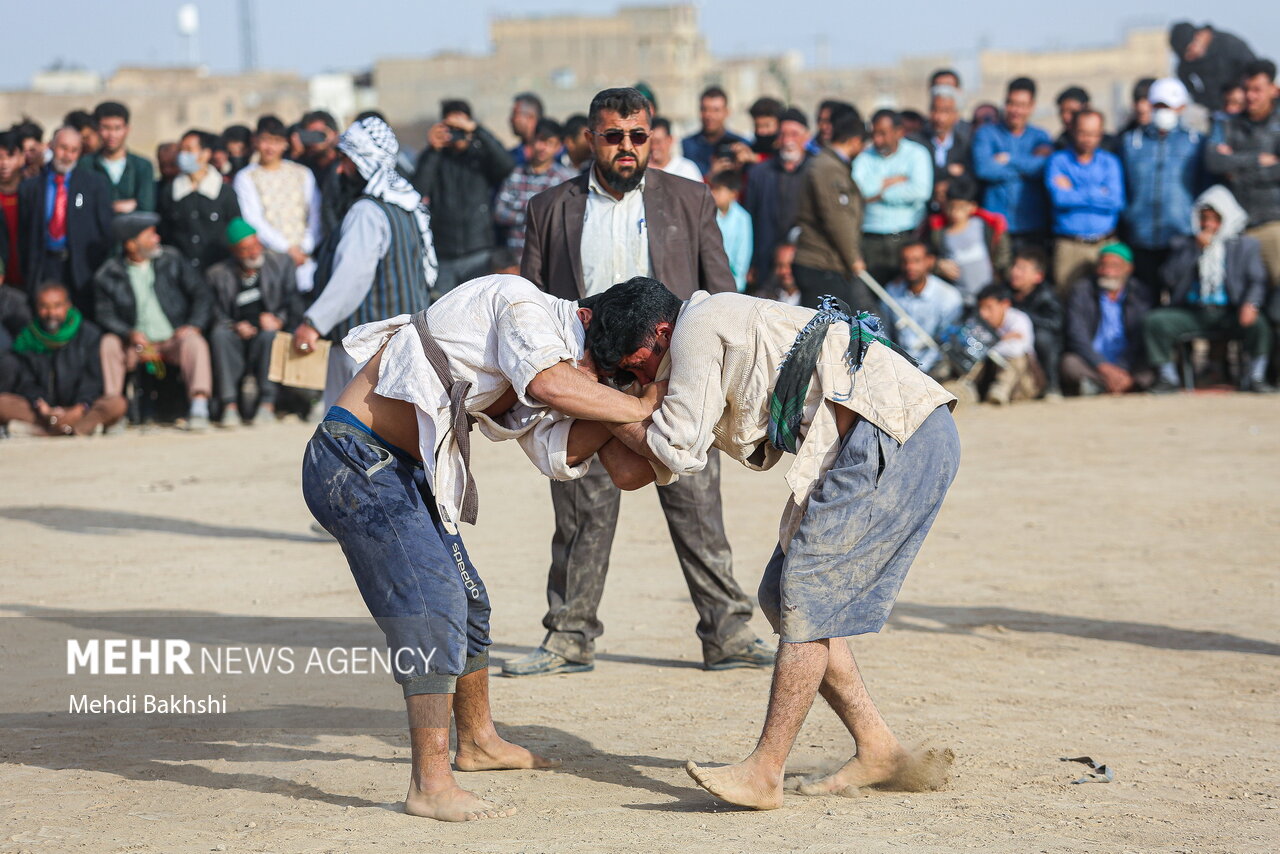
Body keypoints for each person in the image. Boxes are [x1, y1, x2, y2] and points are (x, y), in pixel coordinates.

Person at [301, 272, 669, 821]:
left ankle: (477, 742)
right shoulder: (520, 303)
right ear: (589, 319)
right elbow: (551, 385)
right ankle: (429, 784)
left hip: (407, 472)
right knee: (435, 606)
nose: (605, 378)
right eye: (620, 364)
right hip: (355, 461)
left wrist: (650, 406)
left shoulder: (569, 370)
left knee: (470, 602)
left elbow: (598, 464)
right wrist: (638, 406)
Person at [583, 280, 958, 813]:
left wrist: (597, 400)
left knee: (804, 593)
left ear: (662, 331)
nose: (641, 381)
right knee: (780, 594)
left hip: (893, 432)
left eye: (637, 366)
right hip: (879, 437)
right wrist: (611, 402)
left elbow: (675, 449)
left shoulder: (698, 327)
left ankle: (765, 771)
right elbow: (632, 472)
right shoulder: (706, 331)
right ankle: (879, 749)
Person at [514, 87, 771, 676]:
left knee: (698, 506)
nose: (626, 147)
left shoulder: (688, 198)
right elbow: (532, 305)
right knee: (580, 512)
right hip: (589, 382)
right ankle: (569, 636)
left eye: (637, 135)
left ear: (652, 137)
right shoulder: (549, 208)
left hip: (677, 380)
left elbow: (722, 295)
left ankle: (728, 633)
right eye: (613, 136)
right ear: (591, 139)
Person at [292, 117, 438, 409]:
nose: (341, 170)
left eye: (346, 161)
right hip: (404, 348)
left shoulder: (367, 212)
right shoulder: (405, 206)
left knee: (348, 431)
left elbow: (351, 279)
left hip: (363, 351)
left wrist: (314, 324)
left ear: (362, 162)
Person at [1145, 186, 1272, 393]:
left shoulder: (1245, 245)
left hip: (1230, 312)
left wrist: (1251, 304)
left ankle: (1256, 377)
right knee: (1155, 321)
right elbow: (1169, 278)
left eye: (1215, 219)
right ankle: (1167, 378)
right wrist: (1194, 251)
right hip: (1193, 312)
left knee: (1259, 325)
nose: (1208, 224)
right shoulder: (1183, 244)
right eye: (1204, 218)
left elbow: (1257, 280)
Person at [94, 212, 214, 428]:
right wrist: (128, 333)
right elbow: (104, 314)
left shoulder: (171, 259)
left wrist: (194, 325)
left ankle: (199, 407)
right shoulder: (109, 274)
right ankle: (114, 411)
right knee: (109, 344)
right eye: (150, 235)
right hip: (137, 344)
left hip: (172, 339)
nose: (157, 238)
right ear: (131, 245)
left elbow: (201, 294)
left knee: (194, 343)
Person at [0, 280, 126, 435]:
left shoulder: (89, 335)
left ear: (68, 306)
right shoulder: (28, 338)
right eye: (44, 307)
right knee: (2, 403)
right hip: (45, 412)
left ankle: (64, 429)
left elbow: (93, 381)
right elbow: (26, 381)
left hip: (80, 409)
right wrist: (42, 406)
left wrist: (79, 408)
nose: (51, 313)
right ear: (37, 307)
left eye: (57, 306)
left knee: (116, 404)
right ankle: (69, 429)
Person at [412, 100, 513, 293]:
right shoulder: (435, 157)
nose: (456, 133)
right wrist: (432, 149)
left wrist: (478, 131)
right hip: (443, 254)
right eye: (451, 127)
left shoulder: (480, 155)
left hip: (478, 250)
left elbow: (507, 165)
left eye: (461, 127)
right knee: (443, 309)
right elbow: (417, 190)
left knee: (479, 308)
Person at [206, 218, 295, 425]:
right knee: (220, 335)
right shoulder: (218, 274)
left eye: (256, 245)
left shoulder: (281, 263)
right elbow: (215, 311)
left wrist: (278, 320)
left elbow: (292, 301)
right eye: (246, 249)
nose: (254, 252)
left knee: (270, 337)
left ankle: (267, 404)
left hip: (268, 329)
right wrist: (234, 325)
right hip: (236, 331)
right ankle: (229, 406)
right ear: (234, 251)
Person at [1121, 78, 1203, 299]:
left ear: (1181, 107)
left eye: (1168, 106)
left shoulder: (1195, 142)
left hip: (1181, 235)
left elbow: (1202, 186)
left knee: (1180, 301)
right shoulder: (1131, 142)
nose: (1162, 112)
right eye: (1158, 106)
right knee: (1143, 301)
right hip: (1141, 237)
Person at [17, 127, 113, 314]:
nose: (67, 156)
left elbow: (105, 230)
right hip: (44, 266)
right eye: (63, 148)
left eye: (74, 150)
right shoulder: (30, 187)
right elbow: (24, 233)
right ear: (52, 146)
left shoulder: (93, 184)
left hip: (80, 268)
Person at [1205, 60, 1280, 290]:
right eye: (1246, 89)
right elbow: (1214, 161)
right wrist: (1256, 160)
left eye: (1257, 90)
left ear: (1273, 90)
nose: (1250, 96)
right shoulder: (1227, 124)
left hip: (1273, 225)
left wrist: (1237, 172)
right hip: (1236, 228)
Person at [793, 108, 871, 311]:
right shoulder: (828, 168)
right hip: (821, 263)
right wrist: (853, 258)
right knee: (825, 326)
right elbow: (836, 218)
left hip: (830, 262)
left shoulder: (832, 166)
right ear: (855, 141)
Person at [233, 115, 321, 293]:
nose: (270, 147)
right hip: (272, 262)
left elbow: (316, 213)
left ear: (285, 143)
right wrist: (286, 249)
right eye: (266, 140)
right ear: (256, 141)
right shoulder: (246, 177)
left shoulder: (302, 173)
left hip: (307, 258)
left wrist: (305, 247)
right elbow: (253, 219)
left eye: (276, 141)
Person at [1046, 110, 1126, 295]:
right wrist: (1099, 192)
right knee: (1066, 296)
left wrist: (1075, 190)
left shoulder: (1110, 162)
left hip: (1104, 243)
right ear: (1073, 131)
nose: (1088, 139)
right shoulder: (1058, 161)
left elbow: (1116, 201)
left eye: (1093, 134)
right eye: (1083, 133)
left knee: (1107, 298)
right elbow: (1060, 199)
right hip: (1070, 245)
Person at [852, 110, 933, 286]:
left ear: (899, 132)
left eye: (883, 134)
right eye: (874, 134)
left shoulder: (917, 154)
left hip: (906, 237)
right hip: (871, 239)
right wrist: (892, 181)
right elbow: (858, 191)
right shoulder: (864, 156)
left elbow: (921, 191)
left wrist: (880, 193)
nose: (877, 140)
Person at [1061, 242, 1153, 395]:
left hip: (1128, 362)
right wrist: (1103, 366)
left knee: (1150, 365)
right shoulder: (1082, 291)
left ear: (1128, 268)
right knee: (1069, 363)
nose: (1107, 271)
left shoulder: (1139, 293)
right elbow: (1077, 334)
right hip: (1094, 362)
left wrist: (1122, 369)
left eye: (1114, 266)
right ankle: (1110, 384)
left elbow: (1139, 338)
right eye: (1103, 265)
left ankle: (1113, 384)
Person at [973, 78, 1054, 251]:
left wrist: (1009, 159)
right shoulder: (986, 134)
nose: (1016, 111)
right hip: (996, 223)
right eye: (1011, 104)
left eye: (1022, 105)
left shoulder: (1040, 137)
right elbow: (984, 169)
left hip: (1032, 223)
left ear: (1032, 106)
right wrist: (1027, 167)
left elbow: (1042, 168)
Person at [743, 108, 813, 288]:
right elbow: (749, 219)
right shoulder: (759, 173)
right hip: (766, 263)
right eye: (783, 135)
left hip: (807, 261)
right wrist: (751, 262)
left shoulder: (816, 171)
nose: (788, 141)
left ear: (806, 137)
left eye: (794, 134)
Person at [158, 129, 242, 273]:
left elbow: (236, 229)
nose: (183, 155)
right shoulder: (170, 192)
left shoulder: (224, 192)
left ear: (205, 153)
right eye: (181, 150)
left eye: (189, 150)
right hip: (182, 272)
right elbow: (165, 233)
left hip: (218, 270)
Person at [493, 119, 577, 261]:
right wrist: (528, 217)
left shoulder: (566, 180)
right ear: (532, 142)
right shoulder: (515, 174)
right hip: (516, 259)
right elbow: (499, 212)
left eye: (549, 143)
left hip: (550, 260)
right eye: (540, 141)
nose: (543, 147)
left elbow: (570, 219)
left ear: (558, 147)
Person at [927, 173, 1011, 305]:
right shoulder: (938, 233)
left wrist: (999, 272)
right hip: (958, 299)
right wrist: (938, 265)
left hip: (988, 296)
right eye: (951, 206)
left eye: (961, 207)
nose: (955, 212)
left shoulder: (985, 226)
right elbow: (927, 258)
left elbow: (1002, 253)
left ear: (972, 207)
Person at [883, 241, 964, 375]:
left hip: (935, 369)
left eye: (916, 261)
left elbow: (946, 343)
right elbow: (884, 330)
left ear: (930, 261)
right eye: (905, 261)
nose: (910, 267)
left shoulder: (949, 296)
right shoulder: (891, 291)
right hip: (899, 365)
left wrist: (920, 371)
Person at [1007, 247, 1064, 398]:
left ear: (1038, 276)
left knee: (1042, 337)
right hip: (1010, 342)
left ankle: (1052, 385)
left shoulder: (1047, 295)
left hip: (1042, 347)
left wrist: (1024, 319)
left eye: (1022, 269)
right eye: (1014, 266)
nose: (1015, 272)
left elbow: (1056, 323)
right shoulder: (1005, 292)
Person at [975, 283, 1042, 404]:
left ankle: (1000, 390)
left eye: (989, 308)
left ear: (1005, 304)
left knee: (1017, 358)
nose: (984, 314)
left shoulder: (1019, 319)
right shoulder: (980, 323)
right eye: (981, 308)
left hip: (1023, 380)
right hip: (990, 374)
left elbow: (1016, 350)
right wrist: (1003, 339)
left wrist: (991, 345)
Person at [1171, 21, 1257, 112]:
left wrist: (1241, 89)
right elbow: (1184, 79)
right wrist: (1204, 101)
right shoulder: (1187, 61)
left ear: (1198, 36)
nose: (1188, 58)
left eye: (1189, 50)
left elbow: (1255, 71)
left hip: (1245, 107)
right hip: (1216, 111)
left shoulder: (1230, 44)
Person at [87, 102, 155, 214]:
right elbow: (79, 203)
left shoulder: (143, 166)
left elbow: (146, 207)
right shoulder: (85, 164)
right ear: (97, 129)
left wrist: (99, 206)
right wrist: (114, 207)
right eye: (106, 128)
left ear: (127, 129)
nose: (112, 134)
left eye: (117, 128)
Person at [682, 86, 749, 176]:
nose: (709, 115)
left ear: (727, 112)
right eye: (704, 109)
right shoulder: (688, 145)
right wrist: (711, 175)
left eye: (716, 110)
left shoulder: (741, 143)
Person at [709, 170, 752, 292]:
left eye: (718, 190)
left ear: (733, 194)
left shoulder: (742, 218)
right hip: (708, 280)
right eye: (713, 189)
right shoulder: (707, 214)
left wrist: (737, 284)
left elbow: (743, 255)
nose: (713, 193)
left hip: (732, 283)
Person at [922, 86, 971, 179]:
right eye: (935, 110)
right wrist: (948, 171)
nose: (939, 117)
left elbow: (969, 181)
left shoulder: (964, 145)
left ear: (956, 115)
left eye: (945, 111)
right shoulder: (916, 143)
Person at [0, 131, 24, 289]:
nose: (4, 163)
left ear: (22, 157)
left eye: (10, 156)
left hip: (29, 277)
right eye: (0, 157)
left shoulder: (36, 192)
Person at [647, 117, 703, 182]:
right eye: (650, 142)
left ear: (670, 140)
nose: (654, 147)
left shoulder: (686, 169)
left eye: (658, 142)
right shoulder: (643, 171)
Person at [507, 92, 544, 166]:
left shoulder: (557, 154)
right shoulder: (511, 157)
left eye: (515, 114)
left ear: (531, 117)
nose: (511, 119)